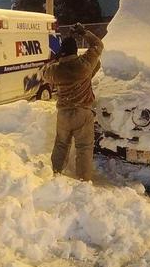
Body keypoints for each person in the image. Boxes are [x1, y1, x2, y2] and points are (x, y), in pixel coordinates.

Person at [41, 23, 104, 181]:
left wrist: (55, 58)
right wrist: (83, 32)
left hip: (63, 114)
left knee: (61, 145)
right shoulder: (84, 64)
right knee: (84, 147)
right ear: (76, 50)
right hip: (82, 112)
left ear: (62, 52)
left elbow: (43, 72)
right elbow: (98, 45)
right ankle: (83, 180)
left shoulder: (55, 70)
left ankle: (56, 176)